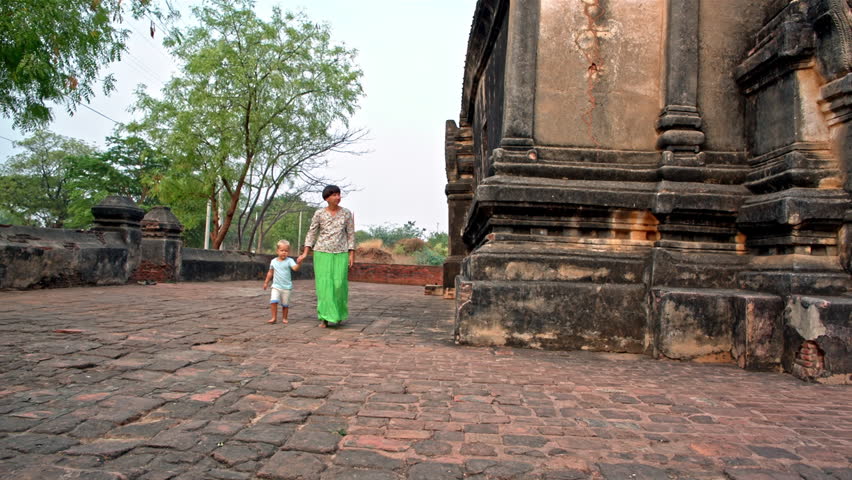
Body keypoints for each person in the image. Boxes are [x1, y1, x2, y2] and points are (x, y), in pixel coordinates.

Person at [297, 185, 355, 328]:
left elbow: (351, 234)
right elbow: (311, 233)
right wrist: (305, 252)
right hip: (322, 252)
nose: (338, 197)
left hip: (341, 253)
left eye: (339, 194)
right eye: (334, 195)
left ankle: (338, 314)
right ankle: (324, 317)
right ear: (327, 198)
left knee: (339, 285)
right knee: (324, 286)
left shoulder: (346, 213)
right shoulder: (319, 214)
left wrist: (351, 254)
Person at [263, 239, 303, 324]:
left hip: (286, 287)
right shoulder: (273, 261)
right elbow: (270, 272)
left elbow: (295, 268)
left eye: (286, 251)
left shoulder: (289, 261)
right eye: (282, 250)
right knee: (273, 301)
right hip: (276, 286)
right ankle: (274, 317)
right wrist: (266, 282)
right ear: (277, 251)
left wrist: (299, 263)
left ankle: (285, 318)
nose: (284, 252)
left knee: (285, 304)